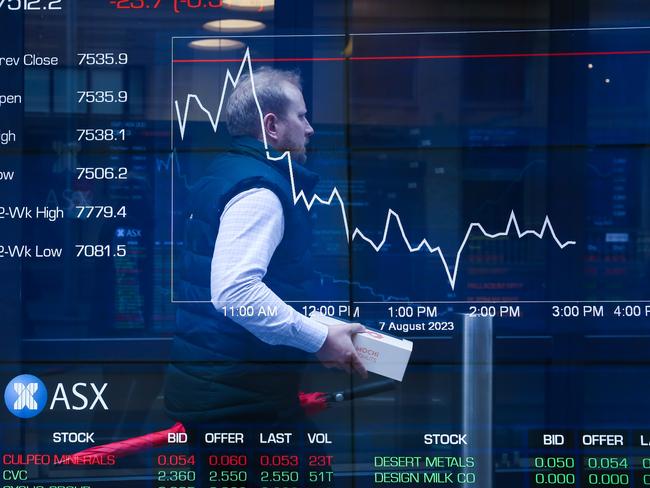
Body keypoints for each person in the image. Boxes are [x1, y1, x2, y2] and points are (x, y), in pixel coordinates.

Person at [164, 67, 366, 433]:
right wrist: (319, 339)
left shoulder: (226, 171)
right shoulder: (260, 191)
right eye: (302, 116)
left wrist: (322, 328)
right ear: (272, 126)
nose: (310, 129)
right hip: (240, 404)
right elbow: (236, 292)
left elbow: (256, 285)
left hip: (226, 392)